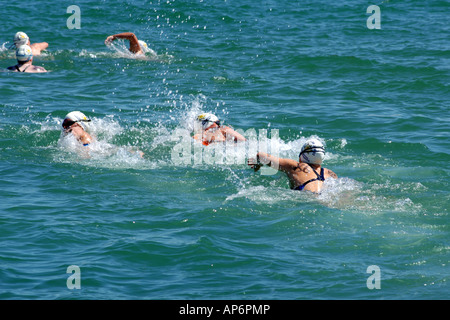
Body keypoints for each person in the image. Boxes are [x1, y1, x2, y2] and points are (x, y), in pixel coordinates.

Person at [248, 138, 337, 193]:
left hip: (308, 200)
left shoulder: (296, 167)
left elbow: (261, 156)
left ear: (302, 156)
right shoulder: (330, 173)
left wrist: (257, 163)